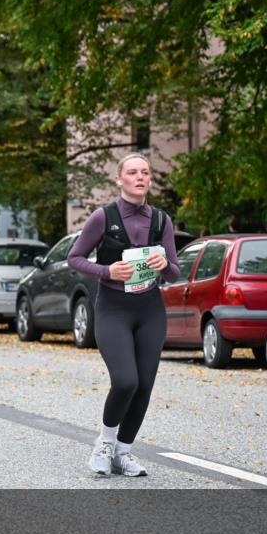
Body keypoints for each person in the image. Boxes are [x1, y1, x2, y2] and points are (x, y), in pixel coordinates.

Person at [66, 153, 180, 477]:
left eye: (145, 172)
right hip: (113, 309)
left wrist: (164, 266)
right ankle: (104, 442)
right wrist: (107, 270)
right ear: (120, 179)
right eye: (132, 172)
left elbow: (174, 272)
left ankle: (124, 452)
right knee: (125, 380)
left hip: (150, 310)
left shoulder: (161, 220)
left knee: (144, 385)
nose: (140, 177)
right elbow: (74, 258)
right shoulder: (103, 217)